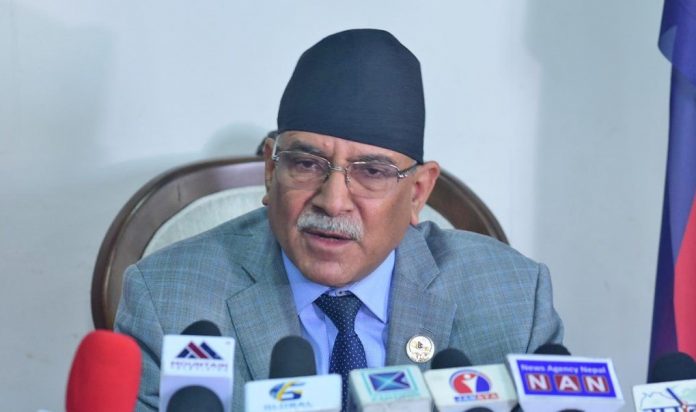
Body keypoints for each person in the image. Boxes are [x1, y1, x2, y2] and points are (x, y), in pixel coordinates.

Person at [115, 29, 563, 411]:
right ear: (271, 171)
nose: (332, 202)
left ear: (417, 193)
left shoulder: (513, 298)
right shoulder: (168, 298)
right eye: (306, 164)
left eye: (372, 172)